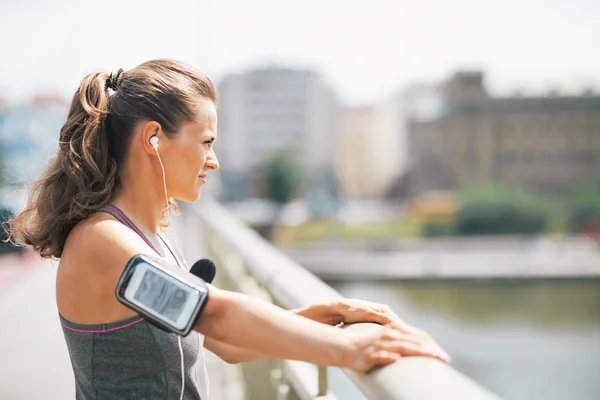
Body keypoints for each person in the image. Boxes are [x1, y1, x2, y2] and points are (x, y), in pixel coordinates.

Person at [8, 59, 449, 400]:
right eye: (206, 143)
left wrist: (329, 315)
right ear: (154, 139)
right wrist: (351, 351)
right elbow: (215, 316)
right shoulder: (103, 242)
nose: (213, 162)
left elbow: (224, 343)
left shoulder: (150, 238)